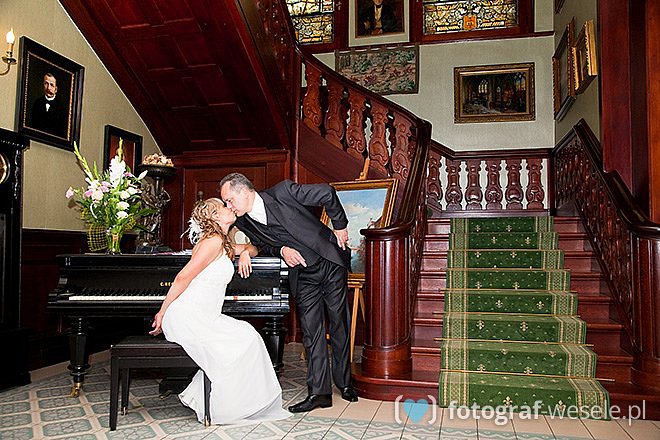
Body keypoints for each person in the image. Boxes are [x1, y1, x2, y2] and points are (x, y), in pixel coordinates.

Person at [219, 173, 359, 413]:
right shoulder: (244, 222)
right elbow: (264, 245)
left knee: (339, 323)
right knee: (311, 330)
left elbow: (326, 192)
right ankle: (319, 393)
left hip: (329, 260)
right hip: (302, 274)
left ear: (244, 191)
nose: (228, 206)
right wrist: (282, 250)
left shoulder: (283, 192)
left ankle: (345, 383)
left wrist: (340, 225)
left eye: (229, 200)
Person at [149, 198, 290, 425]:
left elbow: (254, 248)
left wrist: (246, 253)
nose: (230, 207)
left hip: (207, 317)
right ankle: (221, 406)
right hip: (189, 316)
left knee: (249, 336)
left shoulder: (222, 243)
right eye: (224, 206)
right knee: (241, 342)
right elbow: (183, 277)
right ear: (215, 216)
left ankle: (231, 403)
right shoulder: (212, 242)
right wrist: (162, 312)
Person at [30, 72, 69, 138]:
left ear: (56, 89)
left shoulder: (62, 107)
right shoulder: (37, 103)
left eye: (51, 85)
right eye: (46, 84)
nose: (48, 88)